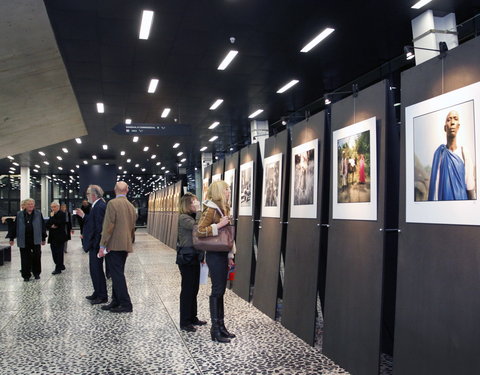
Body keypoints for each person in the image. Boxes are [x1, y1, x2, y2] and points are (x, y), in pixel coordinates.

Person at [197, 180, 236, 343]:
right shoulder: (211, 209)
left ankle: (221, 326)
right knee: (217, 290)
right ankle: (215, 329)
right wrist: (219, 225)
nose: (228, 192)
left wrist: (230, 256)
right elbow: (199, 230)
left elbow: (228, 236)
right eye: (226, 189)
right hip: (214, 254)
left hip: (222, 254)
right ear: (220, 191)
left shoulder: (223, 208)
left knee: (221, 291)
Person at [98, 181, 137, 313]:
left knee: (117, 275)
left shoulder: (112, 204)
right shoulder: (131, 206)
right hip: (125, 244)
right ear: (127, 190)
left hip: (113, 245)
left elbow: (108, 226)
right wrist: (129, 244)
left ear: (115, 190)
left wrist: (102, 245)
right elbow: (132, 228)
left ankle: (126, 304)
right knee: (117, 274)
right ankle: (116, 301)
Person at [428, 110, 476, 201]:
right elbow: (435, 188)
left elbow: (470, 187)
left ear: (458, 126)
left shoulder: (464, 152)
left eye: (455, 119)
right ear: (445, 127)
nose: (452, 122)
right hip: (443, 208)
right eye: (449, 120)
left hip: (461, 207)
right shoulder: (439, 154)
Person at [176, 193, 207, 332]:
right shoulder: (183, 218)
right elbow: (198, 228)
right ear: (187, 205)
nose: (196, 204)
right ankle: (185, 321)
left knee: (194, 288)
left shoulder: (191, 217)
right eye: (194, 202)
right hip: (187, 258)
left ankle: (193, 317)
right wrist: (200, 211)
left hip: (195, 256)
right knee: (188, 289)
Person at [76, 185, 107, 305]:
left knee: (97, 270)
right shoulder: (96, 206)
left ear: (94, 195)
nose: (87, 197)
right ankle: (97, 292)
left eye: (88, 194)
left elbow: (99, 227)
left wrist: (97, 244)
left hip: (96, 244)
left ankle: (102, 295)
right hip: (94, 243)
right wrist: (83, 216)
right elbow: (93, 222)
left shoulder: (99, 206)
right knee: (94, 270)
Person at [8, 198, 46, 281]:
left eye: (32, 204)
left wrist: (43, 238)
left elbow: (42, 226)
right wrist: (11, 238)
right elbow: (15, 227)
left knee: (37, 256)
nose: (30, 205)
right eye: (28, 204)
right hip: (24, 239)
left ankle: (36, 273)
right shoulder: (19, 214)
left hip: (35, 238)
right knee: (25, 258)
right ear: (24, 206)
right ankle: (26, 275)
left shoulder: (38, 214)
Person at [47, 201, 67, 275]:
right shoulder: (52, 214)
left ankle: (58, 268)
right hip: (52, 237)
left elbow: (59, 223)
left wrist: (53, 219)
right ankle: (60, 265)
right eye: (52, 207)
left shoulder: (62, 214)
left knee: (59, 253)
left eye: (54, 207)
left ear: (58, 207)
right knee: (54, 253)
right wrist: (51, 225)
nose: (53, 208)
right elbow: (48, 224)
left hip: (60, 237)